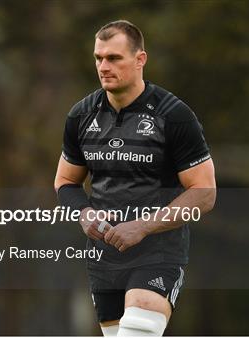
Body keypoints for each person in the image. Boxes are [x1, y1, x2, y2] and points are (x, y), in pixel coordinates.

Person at [54, 20, 216, 336]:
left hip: (158, 253)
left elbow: (205, 192)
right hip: (103, 257)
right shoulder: (81, 115)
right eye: (98, 58)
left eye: (114, 58)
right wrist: (84, 214)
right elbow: (65, 181)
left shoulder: (174, 115)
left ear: (140, 59)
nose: (103, 66)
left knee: (137, 329)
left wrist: (142, 227)